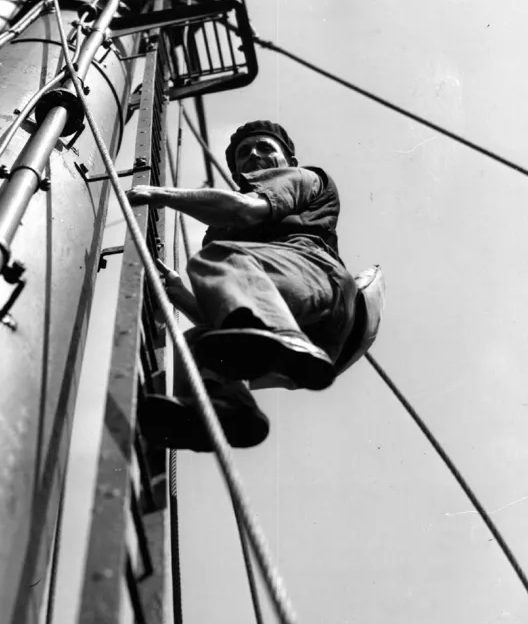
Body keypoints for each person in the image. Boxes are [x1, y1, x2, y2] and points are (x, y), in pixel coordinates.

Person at [126, 119, 359, 452]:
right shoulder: (221, 236)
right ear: (237, 173)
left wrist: (159, 194)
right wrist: (179, 294)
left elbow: (245, 209)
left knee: (219, 257)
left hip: (317, 278)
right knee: (196, 341)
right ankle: (224, 409)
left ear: (289, 161)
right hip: (311, 325)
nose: (254, 155)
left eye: (265, 147)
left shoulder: (302, 178)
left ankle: (283, 337)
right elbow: (222, 318)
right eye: (244, 152)